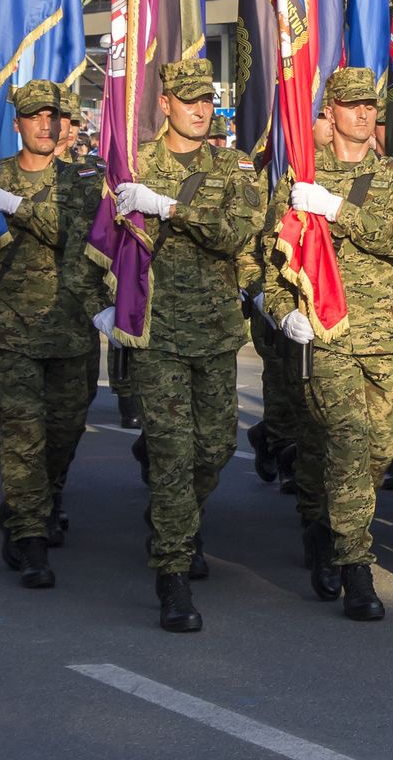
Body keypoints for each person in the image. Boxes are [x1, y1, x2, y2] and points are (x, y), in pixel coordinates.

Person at [114, 61, 262, 630]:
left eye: (208, 101)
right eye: (191, 100)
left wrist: (170, 207)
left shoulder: (233, 166)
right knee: (175, 456)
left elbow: (235, 231)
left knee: (215, 449)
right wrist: (110, 301)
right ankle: (172, 575)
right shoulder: (135, 164)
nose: (202, 110)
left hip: (217, 331)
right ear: (167, 102)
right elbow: (107, 236)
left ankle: (177, 519)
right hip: (157, 332)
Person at [272, 67, 393, 620]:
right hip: (329, 336)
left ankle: (320, 517)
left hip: (385, 335)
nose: (363, 114)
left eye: (369, 106)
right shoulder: (302, 180)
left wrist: (338, 211)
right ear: (328, 113)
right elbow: (272, 263)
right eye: (352, 106)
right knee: (350, 443)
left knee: (381, 444)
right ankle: (356, 566)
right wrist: (285, 312)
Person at [0, 82, 109, 590]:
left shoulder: (82, 181)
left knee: (64, 435)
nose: (46, 126)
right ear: (18, 124)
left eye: (54, 117)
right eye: (34, 117)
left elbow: (74, 233)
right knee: (24, 435)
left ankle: (41, 500)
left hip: (71, 331)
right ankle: (28, 536)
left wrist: (16, 206)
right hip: (10, 332)